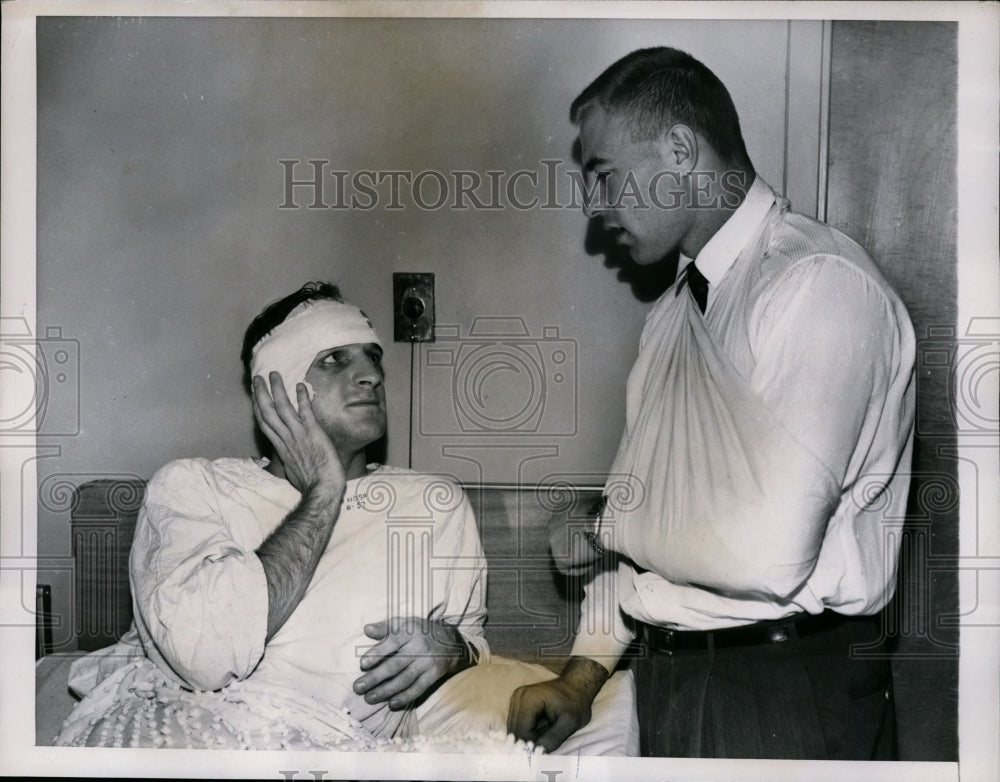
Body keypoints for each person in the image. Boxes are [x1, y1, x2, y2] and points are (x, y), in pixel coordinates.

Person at [508, 47, 916, 760]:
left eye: (603, 175)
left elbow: (765, 553)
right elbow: (653, 526)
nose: (594, 206)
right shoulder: (672, 315)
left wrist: (603, 521)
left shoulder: (817, 287)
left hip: (785, 685)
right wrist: (581, 678)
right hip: (674, 683)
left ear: (679, 148)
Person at [55, 282, 489, 748]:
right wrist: (323, 492)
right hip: (191, 728)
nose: (371, 375)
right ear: (275, 389)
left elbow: (472, 639)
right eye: (334, 359)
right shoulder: (194, 488)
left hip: (340, 750)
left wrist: (457, 650)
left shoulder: (432, 502)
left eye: (373, 356)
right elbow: (207, 658)